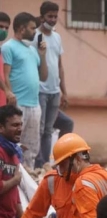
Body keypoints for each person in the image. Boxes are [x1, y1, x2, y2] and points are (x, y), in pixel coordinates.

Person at [2, 12, 48, 169]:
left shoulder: (33, 50)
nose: (35, 32)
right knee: (15, 145)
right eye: (32, 28)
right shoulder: (8, 47)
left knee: (32, 148)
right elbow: (5, 74)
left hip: (34, 105)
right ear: (22, 28)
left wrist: (43, 56)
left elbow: (43, 76)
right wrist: (9, 93)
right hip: (18, 104)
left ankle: (29, 175)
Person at [34, 1, 68, 168]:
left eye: (55, 16)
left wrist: (64, 92)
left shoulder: (57, 37)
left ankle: (46, 163)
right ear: (42, 17)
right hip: (40, 90)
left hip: (54, 91)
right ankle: (37, 164)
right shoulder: (35, 36)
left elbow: (60, 65)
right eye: (50, 16)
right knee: (39, 129)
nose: (53, 19)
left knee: (48, 130)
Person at [0, 105, 23, 218]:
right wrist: (15, 180)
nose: (19, 129)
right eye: (14, 125)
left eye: (20, 124)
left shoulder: (13, 153)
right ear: (1, 127)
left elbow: (14, 195)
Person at [0, 12, 12, 106]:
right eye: (0, 26)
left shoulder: (3, 49)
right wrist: (7, 90)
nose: (3, 30)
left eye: (6, 28)